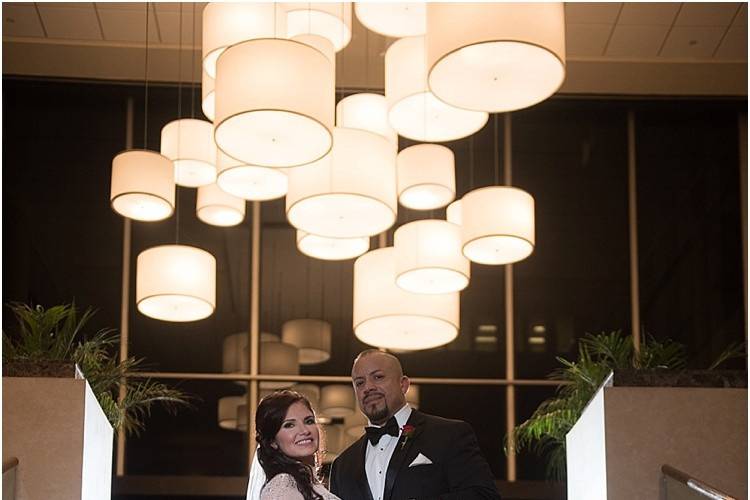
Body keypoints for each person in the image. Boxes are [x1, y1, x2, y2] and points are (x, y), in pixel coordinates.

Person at [330, 349, 501, 500]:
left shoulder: (449, 435)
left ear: (403, 384)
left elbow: (484, 495)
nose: (368, 387)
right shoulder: (342, 465)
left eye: (378, 377)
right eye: (360, 383)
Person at [247, 390, 341, 500]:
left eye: (309, 421)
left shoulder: (309, 484)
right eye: (289, 425)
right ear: (273, 441)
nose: (305, 431)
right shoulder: (283, 487)